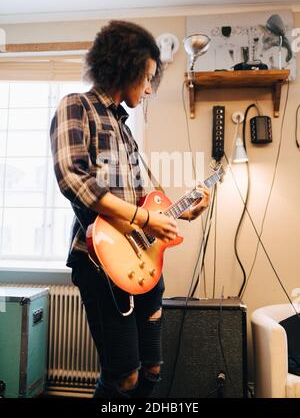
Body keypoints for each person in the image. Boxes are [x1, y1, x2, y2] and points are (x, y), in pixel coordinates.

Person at [50, 20, 210, 398]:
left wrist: (184, 210)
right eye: (148, 77)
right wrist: (144, 218)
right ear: (126, 66)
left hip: (143, 263)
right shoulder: (77, 105)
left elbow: (150, 197)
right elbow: (73, 178)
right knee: (124, 376)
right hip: (99, 260)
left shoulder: (124, 128)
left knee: (152, 368)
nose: (151, 87)